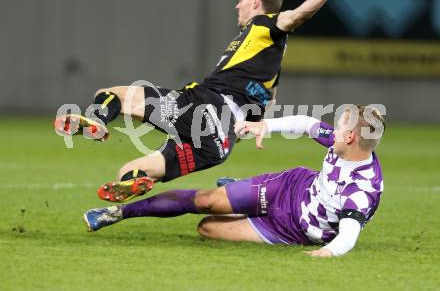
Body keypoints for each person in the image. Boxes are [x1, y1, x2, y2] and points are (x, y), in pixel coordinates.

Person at [56, 0, 357, 202]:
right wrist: (252, 127)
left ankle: (96, 121)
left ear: (255, 2)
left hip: (206, 108)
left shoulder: (265, 26)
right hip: (219, 145)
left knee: (112, 95)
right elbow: (266, 105)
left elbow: (294, 18)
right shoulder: (268, 64)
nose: (236, 6)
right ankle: (133, 182)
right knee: (129, 171)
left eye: (240, 0)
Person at [83, 105, 385, 257]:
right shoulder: (342, 142)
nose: (333, 130)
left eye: (340, 126)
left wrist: (328, 253)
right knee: (205, 200)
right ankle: (117, 213)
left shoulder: (360, 189)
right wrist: (263, 125)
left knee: (208, 228)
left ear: (351, 137)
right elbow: (306, 124)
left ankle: (242, 195)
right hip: (290, 188)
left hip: (289, 229)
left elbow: (349, 232)